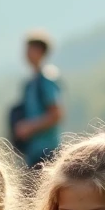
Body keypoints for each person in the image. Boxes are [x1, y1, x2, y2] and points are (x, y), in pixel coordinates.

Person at [10, 30, 64, 167]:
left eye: (29, 49)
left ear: (39, 50)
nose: (26, 53)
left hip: (47, 151)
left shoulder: (46, 78)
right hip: (32, 152)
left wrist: (29, 127)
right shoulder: (31, 82)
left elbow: (56, 114)